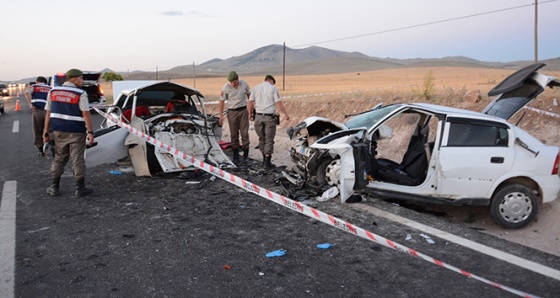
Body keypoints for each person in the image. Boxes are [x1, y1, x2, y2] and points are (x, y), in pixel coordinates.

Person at [43, 68, 95, 197]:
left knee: (59, 158)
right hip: (76, 131)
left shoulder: (53, 92)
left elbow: (48, 113)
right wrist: (90, 132)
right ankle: (80, 188)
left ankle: (54, 187)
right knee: (77, 159)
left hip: (59, 131)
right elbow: (86, 114)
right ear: (74, 78)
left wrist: (46, 131)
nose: (83, 81)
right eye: (81, 78)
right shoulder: (80, 93)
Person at [247, 74, 290, 169]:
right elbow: (278, 102)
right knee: (269, 140)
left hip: (258, 117)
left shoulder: (255, 88)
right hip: (269, 118)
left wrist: (250, 114)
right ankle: (267, 162)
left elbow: (250, 102)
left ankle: (264, 159)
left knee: (262, 138)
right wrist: (286, 114)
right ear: (271, 80)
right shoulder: (273, 88)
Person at [219, 71, 251, 163]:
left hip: (243, 111)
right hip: (232, 112)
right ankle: (236, 156)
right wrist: (221, 116)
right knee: (234, 135)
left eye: (234, 82)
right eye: (231, 82)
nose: (233, 84)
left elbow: (249, 96)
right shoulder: (226, 87)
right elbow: (221, 101)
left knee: (245, 133)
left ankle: (246, 155)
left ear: (238, 79)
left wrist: (251, 109)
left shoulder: (244, 84)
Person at [24, 76, 52, 156]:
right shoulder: (50, 88)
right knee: (50, 130)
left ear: (37, 82)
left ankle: (40, 149)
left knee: (37, 130)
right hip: (49, 112)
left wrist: (30, 104)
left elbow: (26, 93)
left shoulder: (34, 87)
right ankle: (53, 146)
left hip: (37, 111)